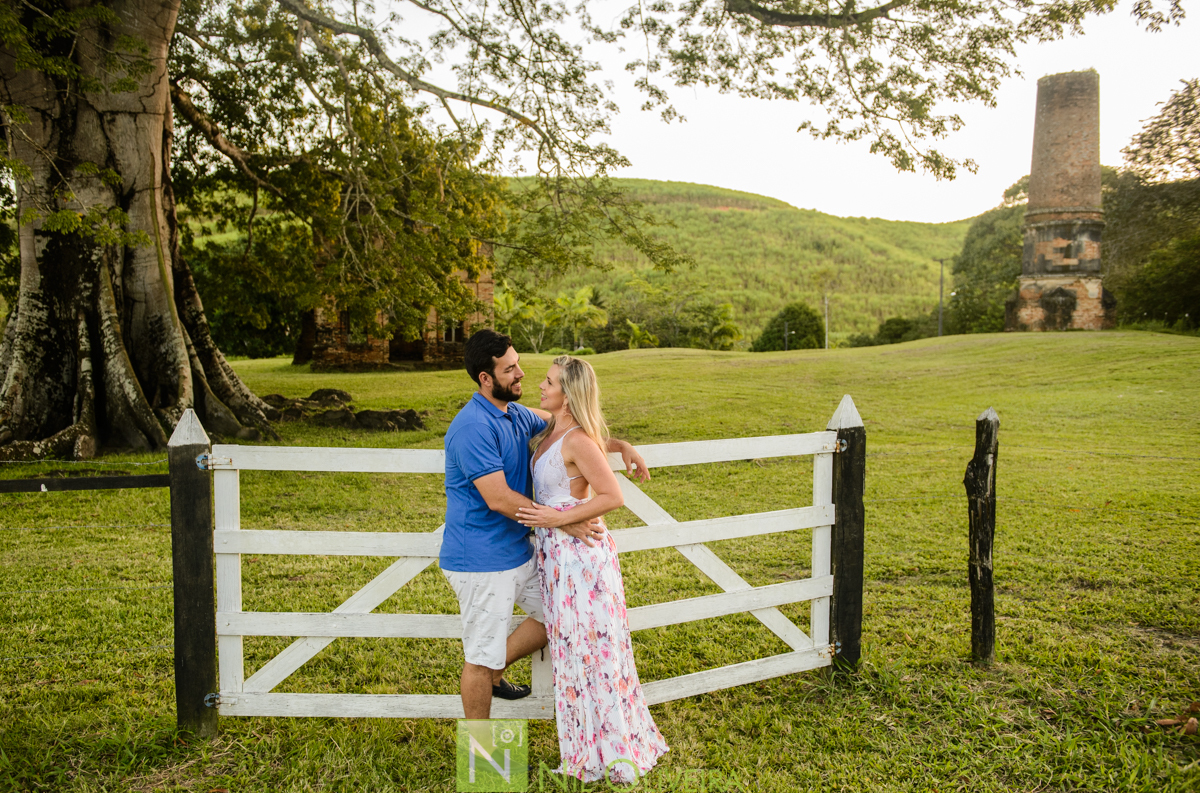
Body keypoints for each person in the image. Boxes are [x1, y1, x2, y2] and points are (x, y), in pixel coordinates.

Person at [440, 329, 649, 721]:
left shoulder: (514, 414)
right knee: (479, 660)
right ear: (485, 378)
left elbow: (571, 428)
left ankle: (498, 671)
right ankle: (484, 765)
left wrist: (619, 445)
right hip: (482, 560)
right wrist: (561, 521)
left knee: (556, 613)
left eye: (519, 363)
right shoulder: (472, 427)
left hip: (520, 551)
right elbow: (498, 497)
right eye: (510, 368)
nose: (521, 373)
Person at [516, 355, 669, 783]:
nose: (540, 386)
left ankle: (612, 752)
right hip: (559, 557)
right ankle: (587, 746)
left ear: (568, 395)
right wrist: (620, 445)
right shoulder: (552, 429)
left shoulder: (576, 438)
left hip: (581, 561)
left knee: (594, 653)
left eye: (548, 383)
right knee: (573, 653)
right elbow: (595, 441)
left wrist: (555, 518)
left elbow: (611, 496)